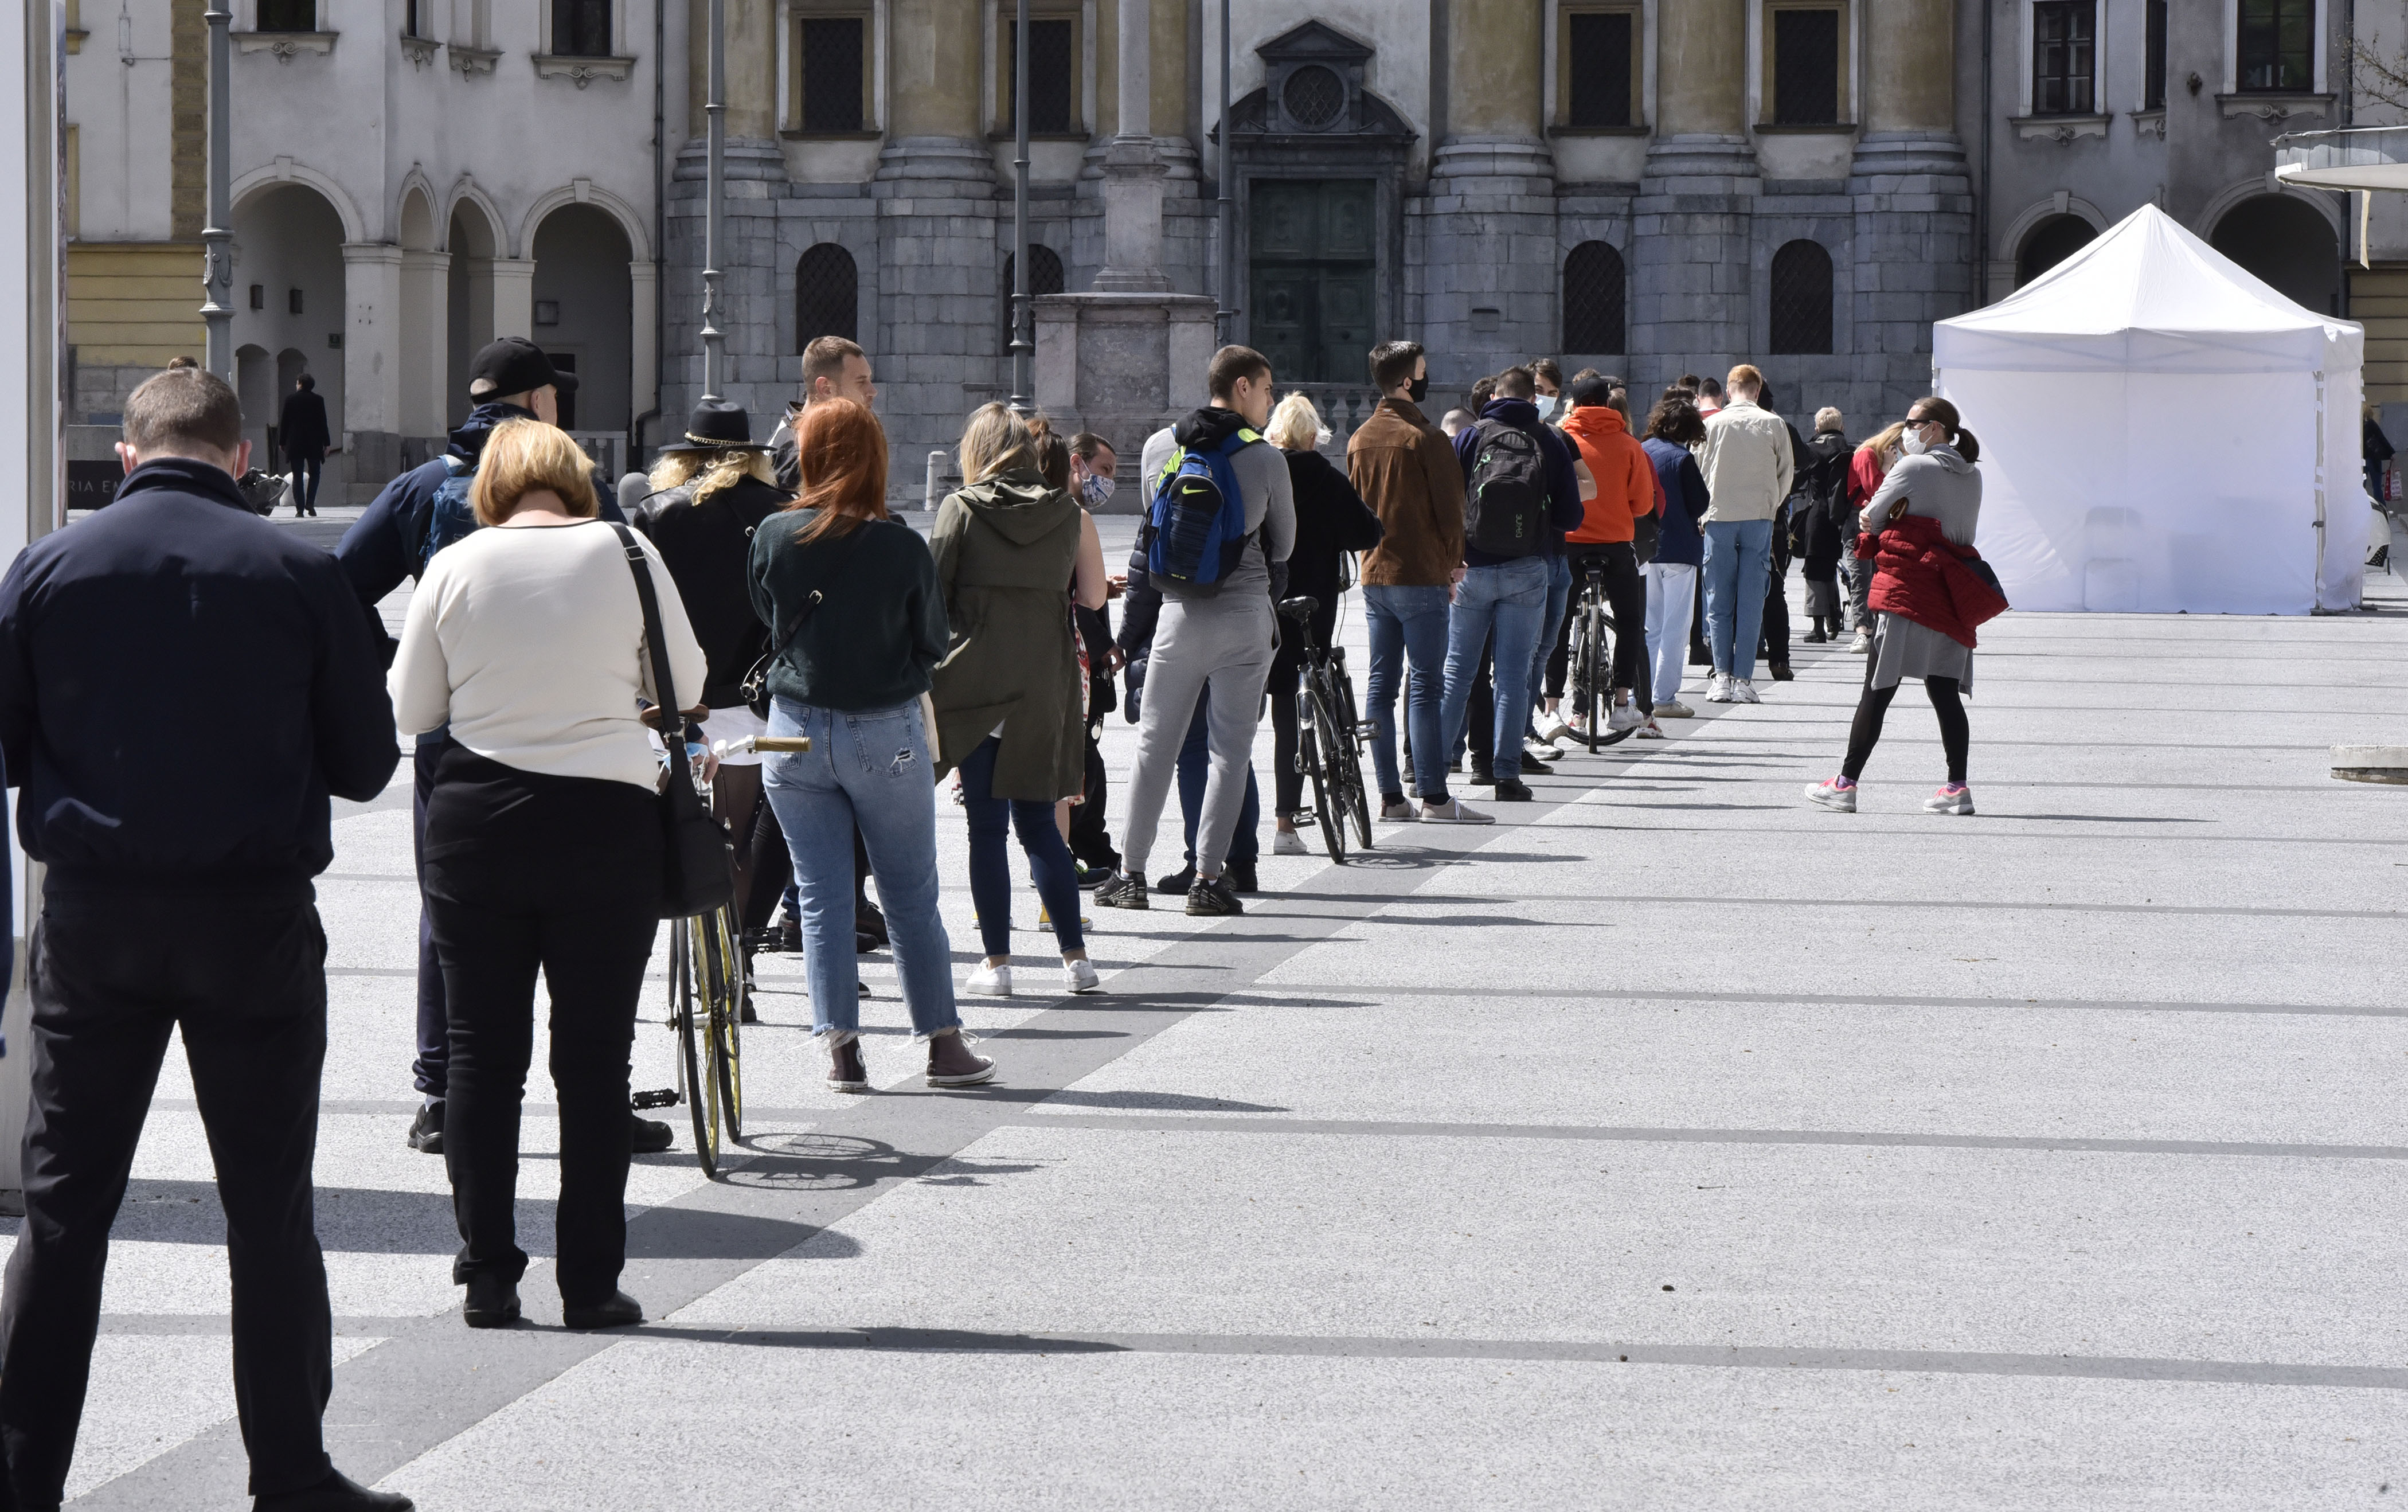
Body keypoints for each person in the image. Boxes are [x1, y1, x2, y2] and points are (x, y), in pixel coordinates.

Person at [0, 367, 409, 1512]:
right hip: (253, 918)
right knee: (267, 1210)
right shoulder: (300, 570)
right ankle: (290, 1471)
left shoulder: (48, 566)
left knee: (65, 1213)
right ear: (241, 458)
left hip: (94, 916)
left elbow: (6, 737)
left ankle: (23, 1479)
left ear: (127, 460)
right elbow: (368, 764)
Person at [388, 417, 701, 1339]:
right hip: (605, 824)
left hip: (477, 821)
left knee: (484, 1056)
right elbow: (685, 679)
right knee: (595, 1061)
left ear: (492, 487)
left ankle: (489, 1276)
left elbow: (415, 706)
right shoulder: (629, 549)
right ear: (577, 478)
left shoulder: (458, 562)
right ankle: (591, 1284)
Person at [332, 338, 660, 1157]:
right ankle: (599, 1098)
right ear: (540, 402)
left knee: (453, 914)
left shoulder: (421, 487)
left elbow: (334, 587)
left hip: (460, 743)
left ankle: (445, 1096)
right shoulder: (579, 487)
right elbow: (636, 593)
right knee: (588, 922)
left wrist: (396, 660)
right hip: (582, 739)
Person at [750, 398, 996, 1091]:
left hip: (791, 730)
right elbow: (934, 641)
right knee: (909, 890)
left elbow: (767, 617)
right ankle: (943, 1046)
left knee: (821, 894)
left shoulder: (773, 534)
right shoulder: (899, 545)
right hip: (881, 729)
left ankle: (842, 1050)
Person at [1097, 346, 1296, 915]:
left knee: (1155, 747)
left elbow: (1153, 529)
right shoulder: (1266, 458)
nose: (1270, 399)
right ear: (1240, 388)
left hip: (1178, 617)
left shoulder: (1162, 447)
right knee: (1230, 752)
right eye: (1265, 389)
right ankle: (1209, 880)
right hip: (1243, 618)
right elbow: (1284, 544)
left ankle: (1131, 875)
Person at [928, 404, 1108, 997]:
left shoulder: (961, 508)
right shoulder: (1069, 513)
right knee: (1041, 828)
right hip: (1044, 681)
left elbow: (932, 598)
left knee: (986, 829)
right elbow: (1091, 597)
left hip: (975, 682)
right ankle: (1076, 958)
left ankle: (998, 965)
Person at [631, 400, 792, 1003]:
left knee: (663, 830)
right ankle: (737, 960)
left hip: (672, 702)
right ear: (754, 455)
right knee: (742, 835)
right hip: (750, 697)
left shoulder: (655, 513)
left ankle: (644, 958)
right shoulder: (778, 510)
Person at [1808, 398, 1990, 817]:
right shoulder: (1974, 475)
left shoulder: (1912, 468)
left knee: (1878, 688)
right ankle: (1957, 787)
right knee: (1944, 692)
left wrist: (1893, 502)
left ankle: (1845, 783)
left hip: (1908, 591)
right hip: (1953, 593)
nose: (1906, 429)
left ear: (1936, 428)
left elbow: (1870, 515)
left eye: (1913, 422)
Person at [1349, 341, 1484, 824]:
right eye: (1423, 371)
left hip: (1376, 573)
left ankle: (1390, 798)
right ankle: (1434, 796)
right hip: (1421, 572)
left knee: (1380, 684)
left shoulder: (1360, 437)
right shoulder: (1427, 438)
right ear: (1408, 381)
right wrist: (1454, 566)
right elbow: (1453, 513)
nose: (1427, 378)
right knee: (1426, 685)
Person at [1444, 366, 1585, 803]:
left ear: (1494, 395)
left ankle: (1431, 768)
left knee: (1457, 673)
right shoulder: (1549, 439)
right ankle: (1507, 774)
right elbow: (1572, 516)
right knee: (1512, 676)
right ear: (1531, 399)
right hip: (1528, 568)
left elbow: (1448, 503)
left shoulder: (1468, 437)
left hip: (1473, 569)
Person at [1264, 392, 1385, 851]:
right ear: (1314, 436)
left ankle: (1284, 825)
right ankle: (1339, 746)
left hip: (1273, 605)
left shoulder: (1266, 473)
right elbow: (1366, 532)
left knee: (1283, 717)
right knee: (1320, 668)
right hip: (1318, 603)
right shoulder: (1328, 478)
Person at [1556, 374, 1658, 737]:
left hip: (1569, 542)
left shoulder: (1560, 438)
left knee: (1559, 620)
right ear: (1607, 402)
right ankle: (1620, 704)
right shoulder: (1630, 444)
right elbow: (1643, 503)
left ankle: (1553, 707)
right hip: (1615, 545)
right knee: (1630, 620)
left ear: (1576, 402)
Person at [1694, 364, 1793, 704]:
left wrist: (1704, 511)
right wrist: (1771, 507)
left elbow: (1698, 469)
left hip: (1719, 516)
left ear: (1728, 388)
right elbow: (1786, 474)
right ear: (1757, 388)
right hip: (1758, 518)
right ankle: (1744, 680)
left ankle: (1721, 676)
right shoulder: (1773, 423)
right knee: (1752, 602)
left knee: (1718, 601)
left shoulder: (1711, 424)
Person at [1638, 396, 1710, 720]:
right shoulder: (1682, 458)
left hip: (1644, 547)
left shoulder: (1642, 450)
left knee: (1649, 625)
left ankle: (1643, 691)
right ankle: (1664, 696)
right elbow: (1700, 503)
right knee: (1676, 625)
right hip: (1680, 547)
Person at [769, 335, 878, 493]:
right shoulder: (802, 456)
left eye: (870, 380)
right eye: (861, 382)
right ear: (825, 388)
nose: (873, 392)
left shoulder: (808, 438)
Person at [1843, 422, 1908, 651]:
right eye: (1900, 446)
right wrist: (1888, 466)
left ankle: (1875, 627)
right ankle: (1862, 629)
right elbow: (1875, 490)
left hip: (1877, 520)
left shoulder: (1882, 458)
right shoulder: (1868, 454)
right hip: (1857, 521)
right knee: (1861, 576)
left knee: (1878, 575)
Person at [1797, 408, 1854, 644]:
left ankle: (1818, 626)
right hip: (1848, 516)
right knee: (1832, 566)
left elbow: (1797, 480)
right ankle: (1835, 619)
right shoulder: (1853, 451)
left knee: (1815, 568)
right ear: (1841, 428)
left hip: (1819, 515)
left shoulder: (1812, 451)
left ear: (1817, 429)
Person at [276, 372, 331, 517]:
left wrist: (282, 442)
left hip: (295, 443)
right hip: (314, 443)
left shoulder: (291, 400)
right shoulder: (318, 400)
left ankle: (299, 509)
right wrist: (327, 443)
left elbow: (285, 422)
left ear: (300, 383)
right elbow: (323, 422)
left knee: (297, 475)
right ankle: (310, 503)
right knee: (315, 473)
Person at [1531, 358, 1566, 425]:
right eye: (1538, 390)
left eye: (1552, 393)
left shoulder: (1558, 435)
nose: (1545, 397)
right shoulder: (1509, 434)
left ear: (1557, 396)